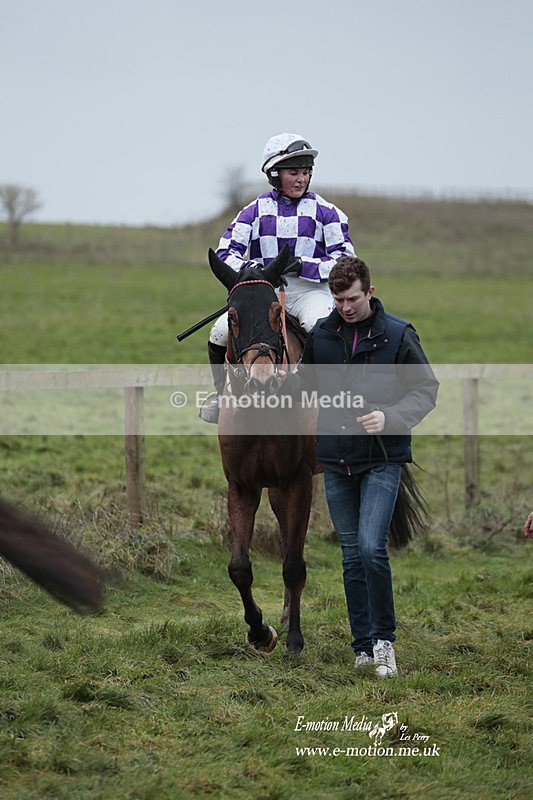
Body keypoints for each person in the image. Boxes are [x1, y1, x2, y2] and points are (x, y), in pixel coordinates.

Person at [283, 255, 438, 677]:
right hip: (335, 459)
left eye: (352, 298)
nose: (345, 307)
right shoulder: (325, 336)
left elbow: (425, 390)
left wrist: (391, 417)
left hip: (383, 459)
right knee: (351, 556)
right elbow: (305, 383)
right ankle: (362, 646)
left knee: (371, 547)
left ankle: (384, 642)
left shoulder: (397, 334)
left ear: (370, 291)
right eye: (338, 299)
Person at [200, 132, 355, 422]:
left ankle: (336, 400)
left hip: (311, 292)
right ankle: (222, 396)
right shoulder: (253, 211)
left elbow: (345, 261)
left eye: (306, 173)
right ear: (274, 174)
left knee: (320, 327)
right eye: (293, 172)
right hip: (264, 293)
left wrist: (302, 265)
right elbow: (225, 253)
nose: (301, 179)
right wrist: (256, 271)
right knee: (219, 332)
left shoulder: (328, 212)